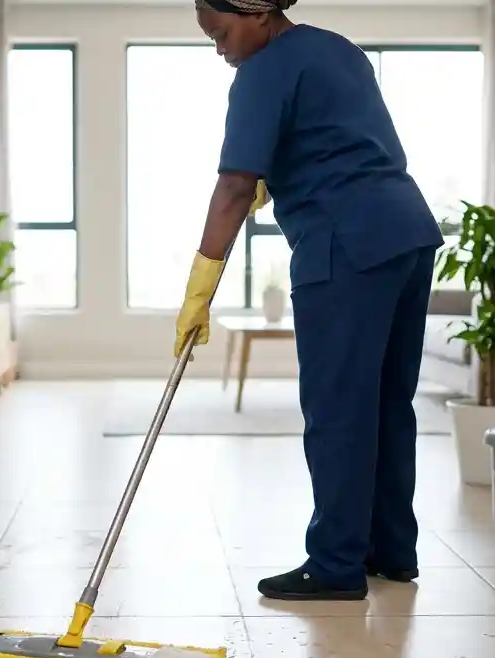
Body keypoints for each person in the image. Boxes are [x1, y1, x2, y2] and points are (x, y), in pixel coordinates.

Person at [175, 0, 443, 601]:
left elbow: (234, 187)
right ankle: (391, 551)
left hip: (345, 243)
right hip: (408, 232)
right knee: (386, 402)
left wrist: (201, 285)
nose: (220, 49)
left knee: (338, 407)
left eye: (220, 32)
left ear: (256, 12)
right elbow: (341, 140)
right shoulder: (340, 50)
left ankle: (335, 565)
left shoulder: (263, 71)